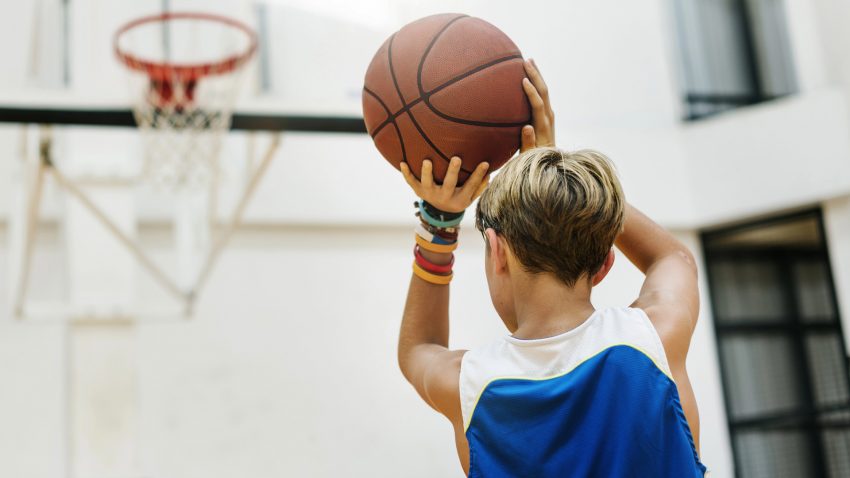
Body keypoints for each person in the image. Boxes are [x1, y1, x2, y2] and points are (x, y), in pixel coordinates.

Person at [397, 59, 707, 477]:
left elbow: (418, 349)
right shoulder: (654, 339)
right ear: (605, 264)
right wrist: (566, 177)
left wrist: (438, 223)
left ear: (497, 251)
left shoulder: (470, 385)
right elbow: (674, 258)